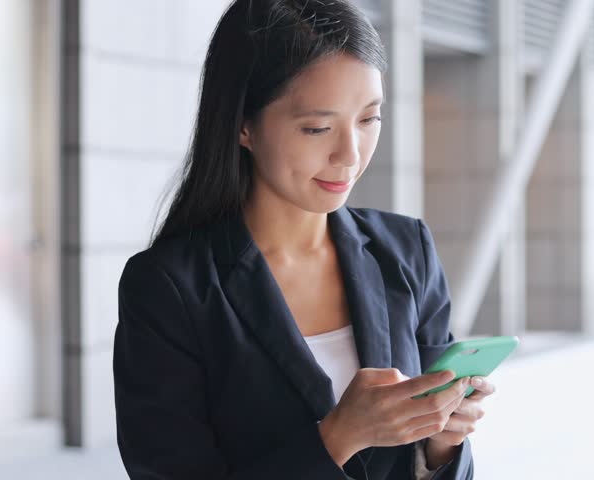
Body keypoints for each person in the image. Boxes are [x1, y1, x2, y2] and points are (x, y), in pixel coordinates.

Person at [113, 0, 495, 478]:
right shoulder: (170, 287)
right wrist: (339, 436)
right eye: (318, 127)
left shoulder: (405, 249)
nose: (349, 155)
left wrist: (439, 445)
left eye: (368, 119)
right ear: (243, 124)